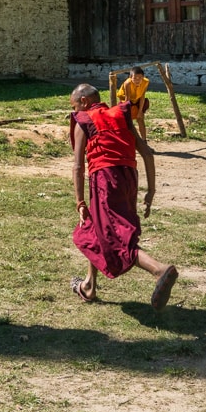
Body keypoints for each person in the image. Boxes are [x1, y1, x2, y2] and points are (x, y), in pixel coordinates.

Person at [68, 83, 179, 310]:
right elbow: (147, 154)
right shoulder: (120, 114)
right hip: (129, 177)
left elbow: (78, 166)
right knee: (97, 228)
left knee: (117, 239)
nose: (75, 110)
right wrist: (151, 190)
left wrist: (80, 202)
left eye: (75, 105)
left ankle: (158, 270)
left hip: (105, 180)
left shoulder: (84, 120)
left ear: (84, 102)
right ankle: (89, 285)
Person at [117, 65, 151, 132]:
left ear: (143, 77)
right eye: (135, 78)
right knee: (127, 121)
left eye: (140, 78)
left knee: (140, 119)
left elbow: (142, 96)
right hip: (127, 100)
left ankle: (144, 140)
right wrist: (127, 113)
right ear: (130, 77)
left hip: (137, 99)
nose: (137, 80)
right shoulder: (128, 83)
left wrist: (140, 111)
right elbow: (127, 99)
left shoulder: (146, 82)